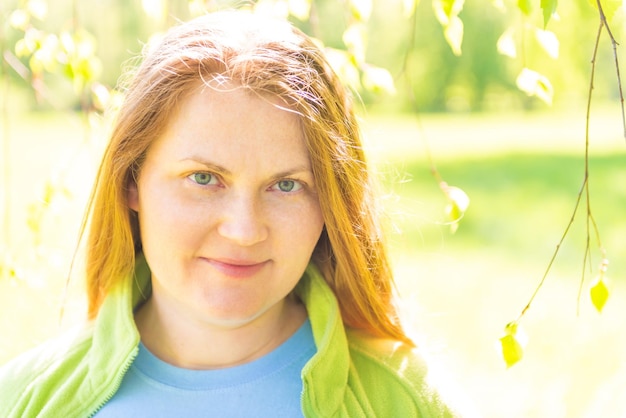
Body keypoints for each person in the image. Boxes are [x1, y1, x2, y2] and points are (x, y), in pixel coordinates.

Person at [0, 10, 456, 417]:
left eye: (286, 185)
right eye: (203, 178)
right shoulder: (22, 399)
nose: (243, 230)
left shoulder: (404, 399)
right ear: (131, 183)